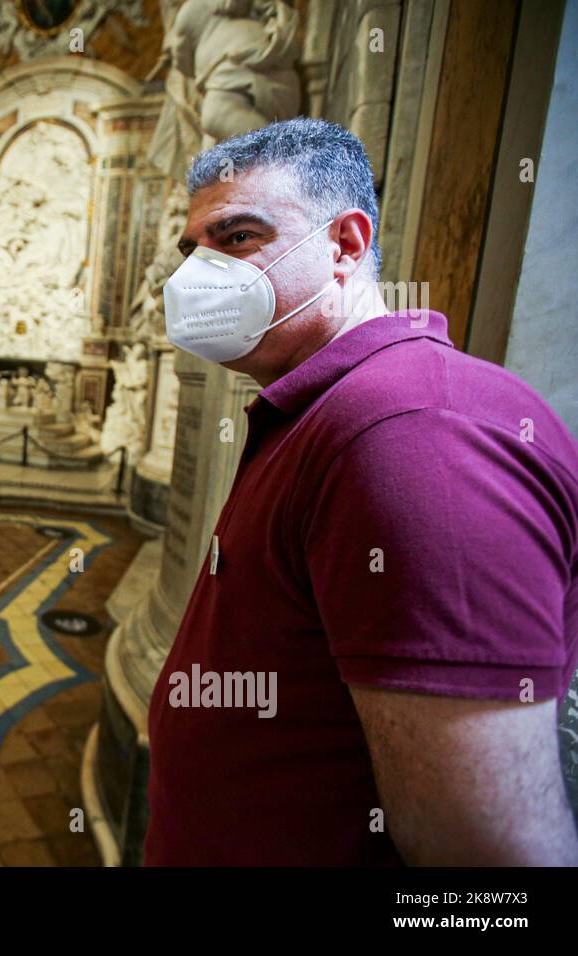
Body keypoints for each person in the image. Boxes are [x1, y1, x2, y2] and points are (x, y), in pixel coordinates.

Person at [147, 117, 578, 866]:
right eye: (192, 249)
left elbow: (487, 860)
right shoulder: (337, 408)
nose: (196, 275)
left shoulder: (416, 434)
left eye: (238, 236)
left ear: (345, 244)